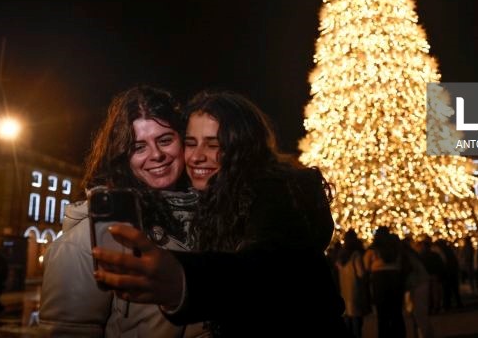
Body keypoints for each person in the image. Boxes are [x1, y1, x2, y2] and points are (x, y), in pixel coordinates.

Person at [94, 89, 349, 337]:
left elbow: (266, 267)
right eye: (191, 143)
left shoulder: (276, 192)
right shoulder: (215, 204)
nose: (196, 157)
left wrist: (183, 279)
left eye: (213, 144)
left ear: (242, 148)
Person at [38, 85, 208, 338]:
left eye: (165, 140)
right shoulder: (88, 239)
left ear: (183, 141)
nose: (157, 154)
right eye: (139, 147)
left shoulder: (214, 219)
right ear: (122, 157)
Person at [335, 229, 371, 338]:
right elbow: (361, 274)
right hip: (356, 292)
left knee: (347, 321)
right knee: (356, 322)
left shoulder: (340, 256)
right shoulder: (356, 255)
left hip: (344, 291)